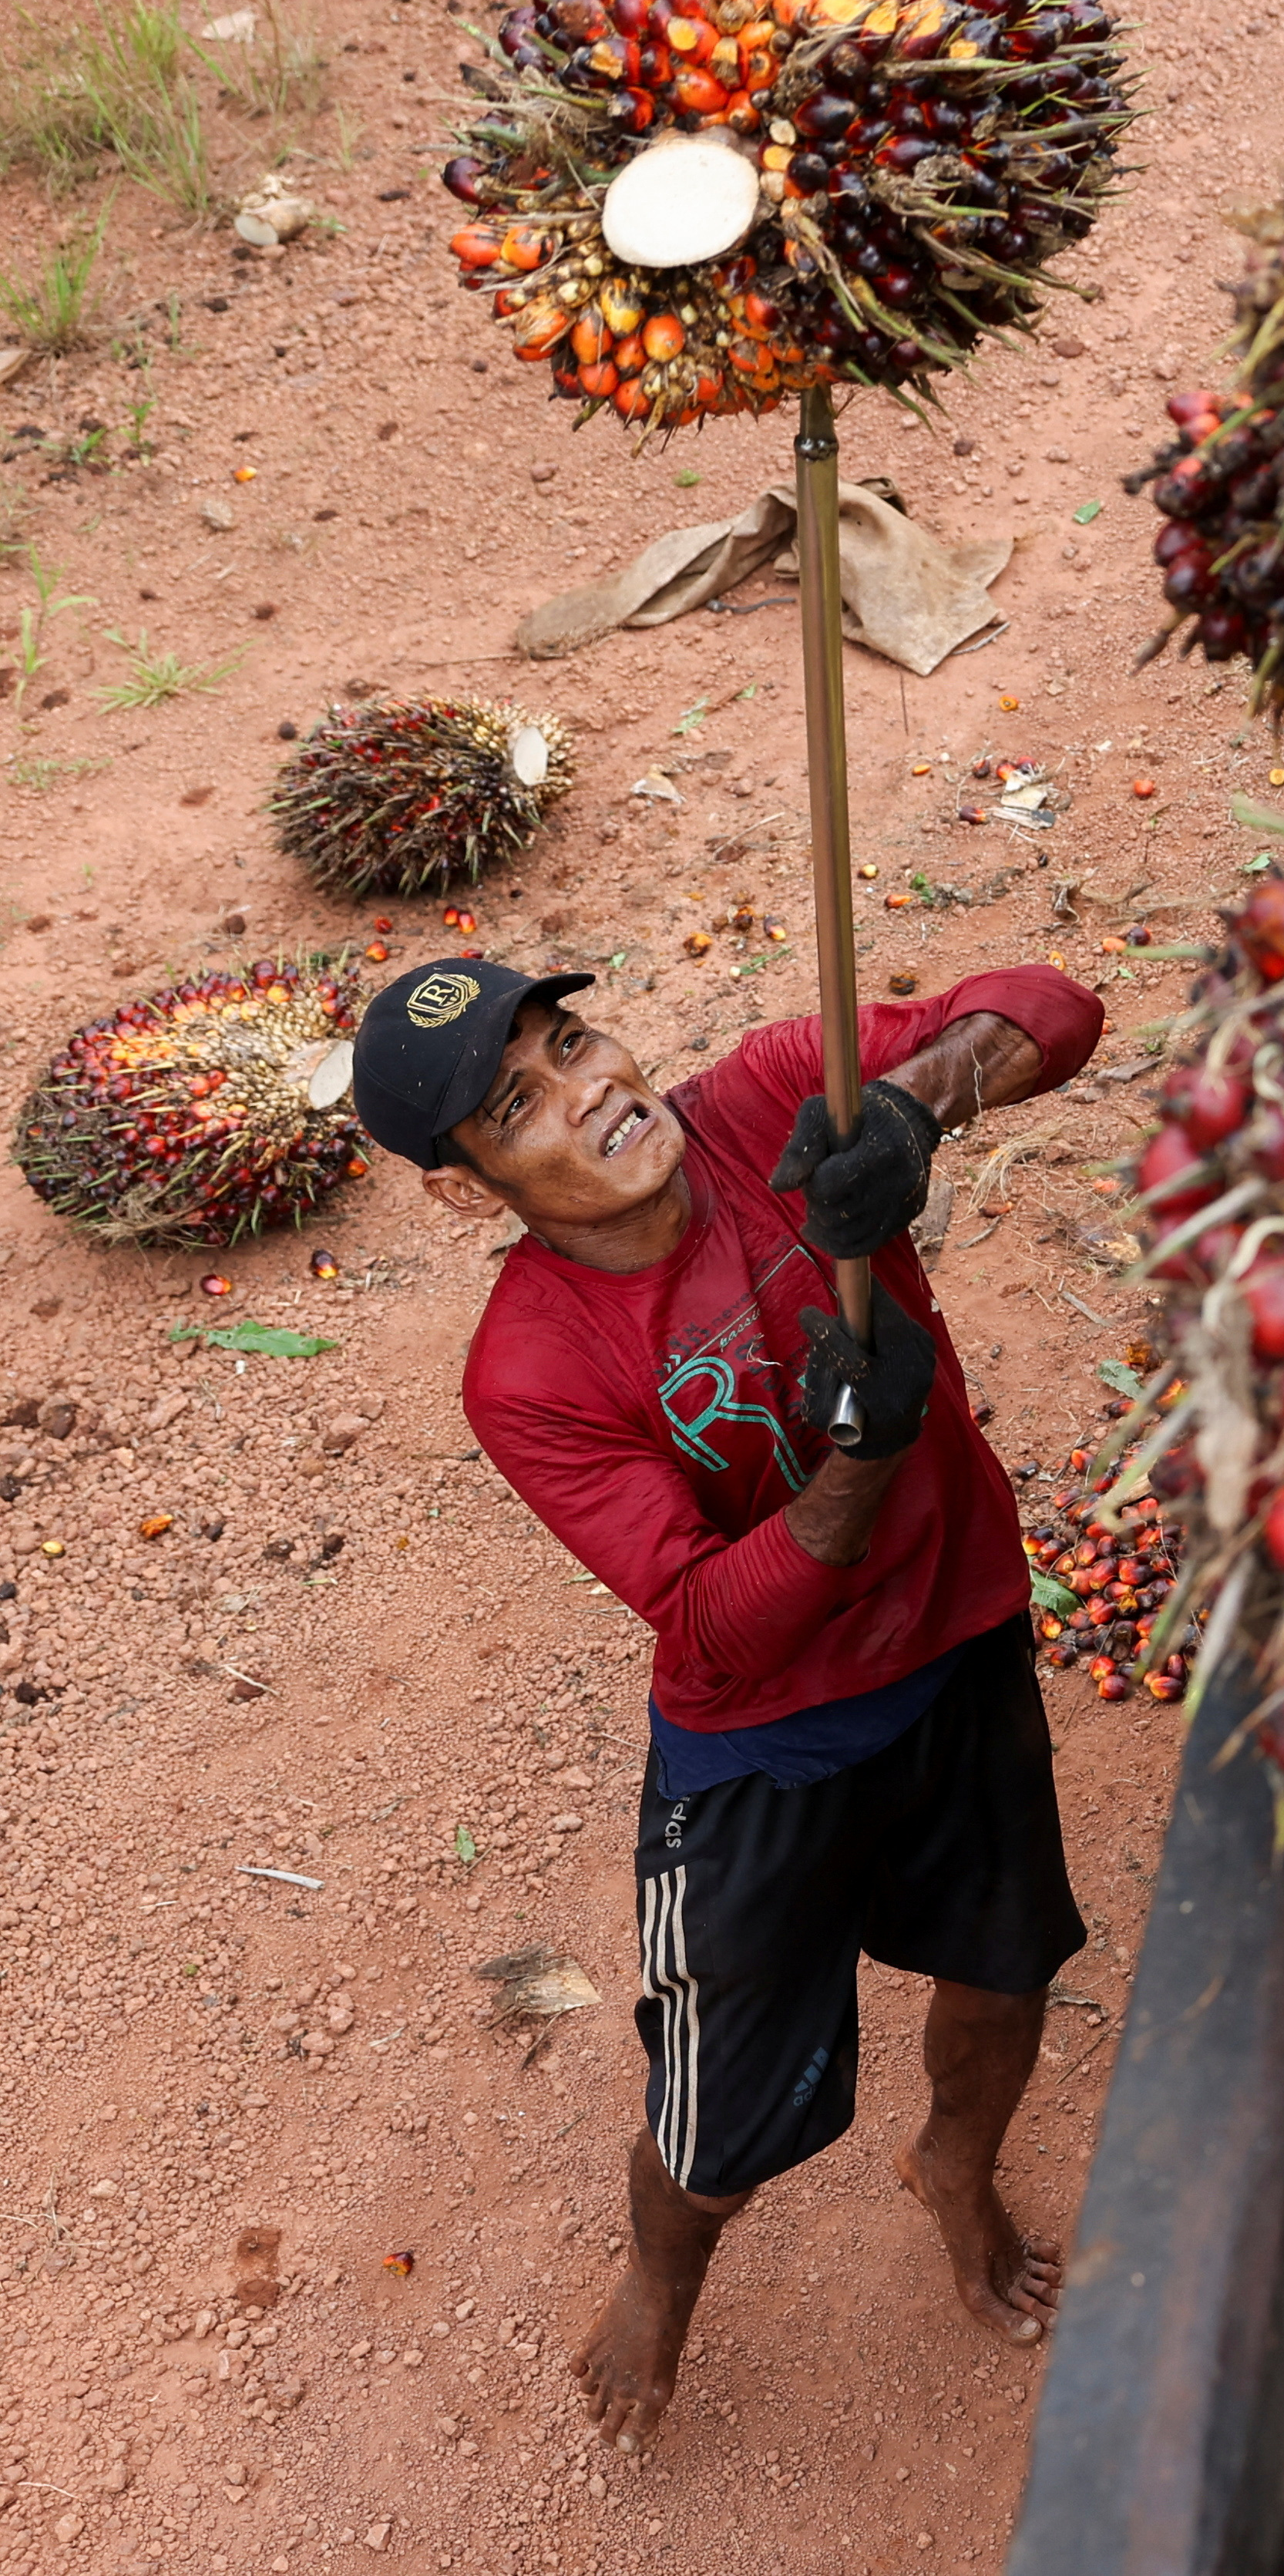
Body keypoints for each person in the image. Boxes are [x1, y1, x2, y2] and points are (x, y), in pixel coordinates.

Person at [346, 953, 1106, 2448]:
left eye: (571, 1038)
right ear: (465, 1189)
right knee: (712, 2112)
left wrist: (909, 1105)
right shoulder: (527, 1370)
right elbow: (710, 1622)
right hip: (769, 1751)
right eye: (522, 1099)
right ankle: (660, 2281)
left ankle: (956, 2164)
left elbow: (1056, 1008)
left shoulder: (770, 1096)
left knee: (1006, 1970)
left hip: (956, 1635)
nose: (590, 1085)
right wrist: (862, 1460)